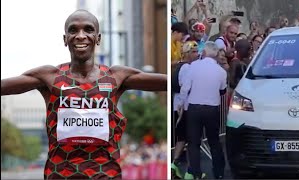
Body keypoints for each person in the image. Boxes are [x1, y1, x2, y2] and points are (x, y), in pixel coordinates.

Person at [1, 10, 167, 180]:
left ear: (98, 38)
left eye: (88, 30)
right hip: (61, 175)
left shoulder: (115, 77)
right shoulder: (49, 77)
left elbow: (169, 82)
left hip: (105, 174)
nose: (81, 36)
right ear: (65, 39)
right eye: (73, 30)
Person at [177, 41, 227, 179]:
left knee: (193, 143)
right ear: (216, 55)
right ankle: (219, 173)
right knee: (214, 141)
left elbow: (185, 88)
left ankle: (196, 173)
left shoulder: (193, 67)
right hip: (212, 108)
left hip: (194, 108)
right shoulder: (221, 72)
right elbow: (222, 91)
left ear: (203, 53)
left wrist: (180, 105)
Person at [171, 41, 199, 179]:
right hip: (185, 108)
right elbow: (185, 88)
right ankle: (190, 172)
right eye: (193, 52)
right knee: (191, 140)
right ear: (187, 53)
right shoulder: (187, 67)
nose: (197, 54)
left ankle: (173, 165)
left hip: (180, 106)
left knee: (182, 139)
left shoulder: (180, 66)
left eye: (197, 51)